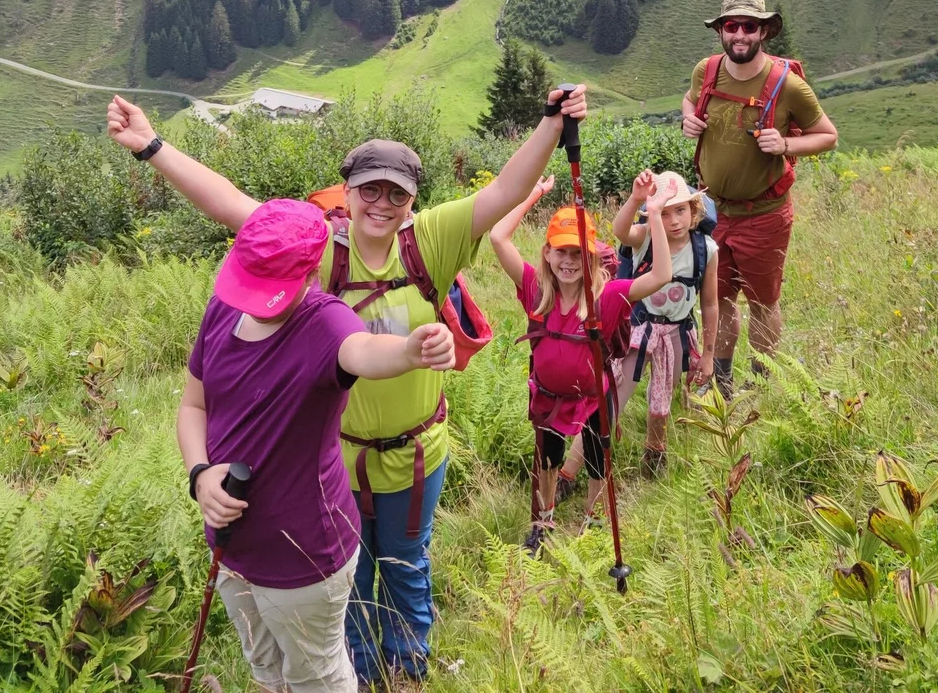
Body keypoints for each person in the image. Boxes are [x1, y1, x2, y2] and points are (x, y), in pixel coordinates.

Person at [107, 83, 587, 686]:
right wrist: (151, 145)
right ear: (349, 192)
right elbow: (231, 205)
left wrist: (549, 124)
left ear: (412, 201)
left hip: (415, 451)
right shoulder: (317, 246)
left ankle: (409, 667)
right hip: (339, 455)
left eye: (396, 193)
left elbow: (505, 190)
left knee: (405, 563)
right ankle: (359, 670)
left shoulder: (430, 241)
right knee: (354, 573)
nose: (381, 203)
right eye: (369, 190)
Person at [178, 198, 456, 693]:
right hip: (230, 542)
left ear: (311, 274)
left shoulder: (325, 323)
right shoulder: (222, 309)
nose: (254, 297)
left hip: (304, 553)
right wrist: (200, 475)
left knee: (317, 677)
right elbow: (194, 406)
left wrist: (412, 350)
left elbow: (366, 351)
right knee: (264, 666)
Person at [487, 191, 671, 552]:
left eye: (578, 254)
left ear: (590, 257)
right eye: (561, 251)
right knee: (549, 460)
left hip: (593, 399)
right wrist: (531, 194)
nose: (568, 261)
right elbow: (497, 237)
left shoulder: (609, 296)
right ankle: (545, 520)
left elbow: (662, 275)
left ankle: (594, 519)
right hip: (548, 398)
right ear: (547, 253)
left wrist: (657, 217)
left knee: (597, 461)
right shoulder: (536, 288)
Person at [679, 0, 838, 394]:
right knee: (720, 297)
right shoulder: (707, 71)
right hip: (710, 212)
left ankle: (764, 379)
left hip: (764, 215)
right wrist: (688, 120)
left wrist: (785, 145)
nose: (740, 35)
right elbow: (689, 100)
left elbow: (827, 136)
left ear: (764, 32)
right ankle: (724, 378)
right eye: (732, 26)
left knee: (764, 302)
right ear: (721, 31)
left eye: (749, 26)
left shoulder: (788, 86)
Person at [610, 169, 718, 476]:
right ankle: (589, 453)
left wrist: (708, 355)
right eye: (665, 213)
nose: (673, 221)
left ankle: (654, 456)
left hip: (677, 332)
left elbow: (710, 303)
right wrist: (635, 198)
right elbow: (620, 231)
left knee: (663, 396)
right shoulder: (645, 237)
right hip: (640, 328)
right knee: (618, 388)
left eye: (680, 210)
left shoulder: (706, 250)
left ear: (694, 209)